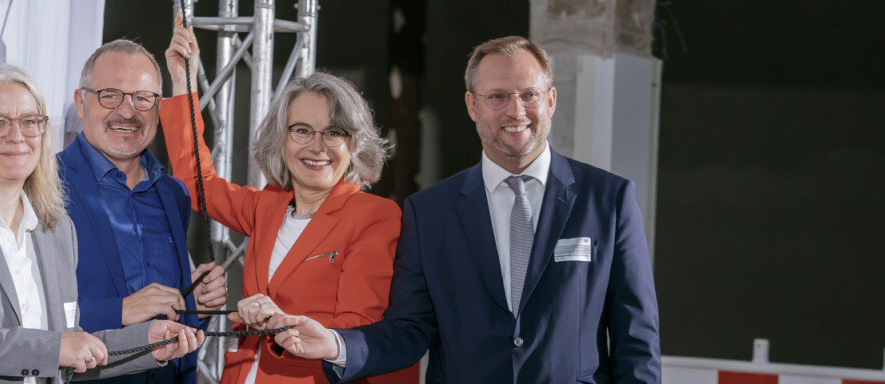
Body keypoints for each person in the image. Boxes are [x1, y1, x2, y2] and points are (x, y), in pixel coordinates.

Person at [271, 35, 662, 383]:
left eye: (529, 94)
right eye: (497, 97)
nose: (516, 110)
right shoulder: (429, 212)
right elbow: (409, 330)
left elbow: (636, 339)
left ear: (551, 100)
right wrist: (336, 344)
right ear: (472, 105)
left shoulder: (608, 199)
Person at [0, 64, 205, 384]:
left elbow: (70, 347)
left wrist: (147, 342)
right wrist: (57, 348)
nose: (17, 136)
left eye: (30, 122)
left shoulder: (57, 230)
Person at [162, 16, 418, 384]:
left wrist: (278, 320)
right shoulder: (268, 205)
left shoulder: (374, 215)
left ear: (354, 143)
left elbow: (358, 329)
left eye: (334, 132)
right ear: (281, 140)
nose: (317, 146)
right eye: (302, 131)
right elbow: (196, 181)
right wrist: (182, 82)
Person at [58, 38, 229, 384]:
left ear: (158, 107)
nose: (127, 112)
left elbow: (176, 323)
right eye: (110, 95)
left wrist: (197, 305)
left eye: (142, 98)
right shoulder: (43, 187)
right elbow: (20, 316)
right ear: (81, 102)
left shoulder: (173, 195)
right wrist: (119, 311)